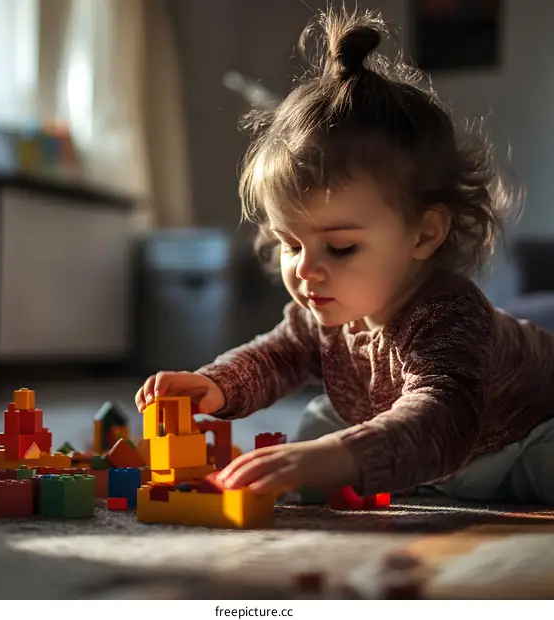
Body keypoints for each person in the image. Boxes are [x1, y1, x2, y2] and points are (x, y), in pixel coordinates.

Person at [135, 6, 554, 505]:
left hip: (516, 433)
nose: (306, 269)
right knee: (315, 429)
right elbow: (278, 354)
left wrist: (338, 455)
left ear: (424, 234)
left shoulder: (449, 315)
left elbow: (443, 418)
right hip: (398, 430)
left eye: (340, 247)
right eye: (291, 243)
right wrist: (214, 385)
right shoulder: (325, 310)